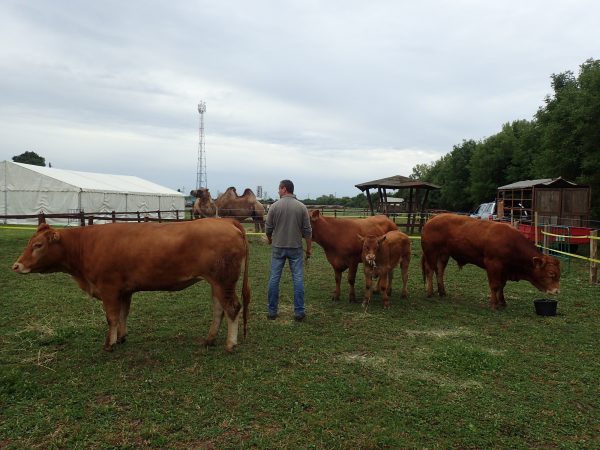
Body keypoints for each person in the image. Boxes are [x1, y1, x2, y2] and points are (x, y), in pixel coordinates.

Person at [265, 179, 312, 321]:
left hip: (278, 247)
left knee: (274, 278)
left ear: (284, 189)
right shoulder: (302, 207)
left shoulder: (274, 206)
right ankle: (299, 311)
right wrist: (308, 248)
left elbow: (268, 228)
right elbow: (307, 231)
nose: (278, 191)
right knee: (298, 279)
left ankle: (272, 311)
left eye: (279, 189)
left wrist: (270, 239)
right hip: (295, 248)